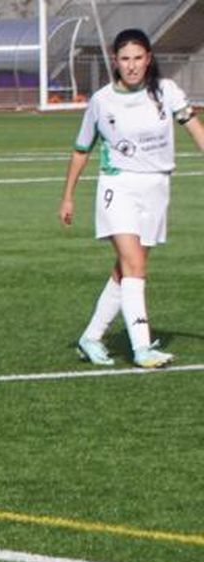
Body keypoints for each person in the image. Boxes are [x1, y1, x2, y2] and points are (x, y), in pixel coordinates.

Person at [59, 28, 204, 368]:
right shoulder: (101, 100)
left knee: (127, 268)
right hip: (117, 187)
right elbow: (81, 150)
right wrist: (68, 197)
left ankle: (91, 337)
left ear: (148, 58)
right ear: (115, 61)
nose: (132, 65)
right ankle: (142, 348)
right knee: (134, 264)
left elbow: (195, 129)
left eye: (138, 58)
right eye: (125, 59)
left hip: (156, 189)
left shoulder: (166, 92)